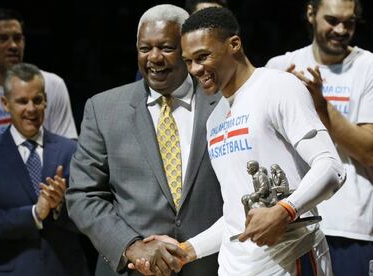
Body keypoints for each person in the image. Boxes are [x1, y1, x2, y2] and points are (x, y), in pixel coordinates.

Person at [135, 7, 346, 275]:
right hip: (234, 268)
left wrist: (285, 210)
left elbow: (331, 167)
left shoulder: (279, 86)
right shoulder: (215, 119)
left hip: (291, 260)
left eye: (203, 56)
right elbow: (236, 217)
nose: (195, 69)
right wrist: (187, 250)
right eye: (188, 61)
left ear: (234, 44)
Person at [65, 4, 223, 276]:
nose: (154, 58)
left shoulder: (224, 103)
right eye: (145, 48)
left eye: (166, 47)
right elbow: (83, 195)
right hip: (133, 269)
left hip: (211, 266)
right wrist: (131, 246)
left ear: (186, 50)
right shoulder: (103, 109)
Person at [0, 8, 78, 275]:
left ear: (46, 100)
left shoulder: (69, 150)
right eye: (22, 102)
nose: (31, 109)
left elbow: (89, 213)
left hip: (65, 267)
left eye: (37, 100)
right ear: (6, 105)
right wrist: (36, 212)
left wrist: (60, 206)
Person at [265, 0, 373, 274]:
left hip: (349, 227)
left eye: (349, 22)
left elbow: (368, 151)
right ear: (311, 14)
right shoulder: (279, 66)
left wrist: (320, 104)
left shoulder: (368, 66)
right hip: (292, 226)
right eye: (333, 20)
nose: (341, 29)